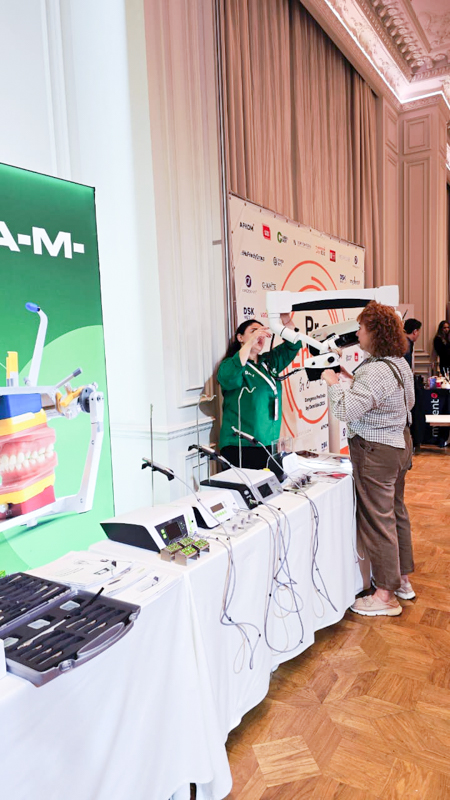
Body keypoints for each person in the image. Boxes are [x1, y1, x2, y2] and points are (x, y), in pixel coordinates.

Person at [322, 301, 415, 617]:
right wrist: (351, 380)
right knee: (395, 513)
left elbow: (345, 410)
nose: (357, 333)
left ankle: (385, 595)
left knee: (378, 520)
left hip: (376, 451)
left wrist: (333, 383)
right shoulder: (396, 363)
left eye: (361, 328)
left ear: (374, 333)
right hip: (399, 445)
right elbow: (401, 400)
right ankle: (402, 580)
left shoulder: (375, 370)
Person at [218, 316, 301, 468]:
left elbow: (293, 345)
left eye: (261, 332)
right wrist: (250, 343)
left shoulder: (268, 362)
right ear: (240, 338)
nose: (259, 335)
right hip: (240, 445)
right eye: (253, 331)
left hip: (268, 442)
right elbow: (229, 378)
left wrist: (285, 319)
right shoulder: (230, 365)